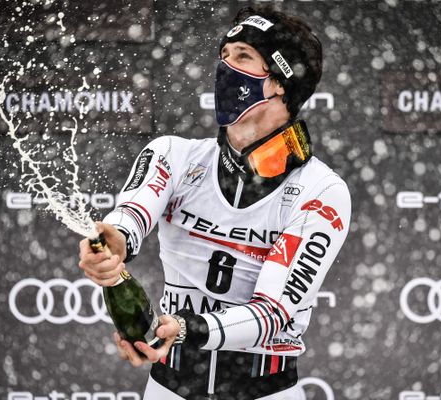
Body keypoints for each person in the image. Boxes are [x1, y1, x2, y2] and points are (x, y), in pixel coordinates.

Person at [78, 5, 351, 400]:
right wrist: (110, 247)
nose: (225, 67)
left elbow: (272, 315)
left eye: (243, 56)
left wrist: (186, 328)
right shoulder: (174, 154)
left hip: (264, 392)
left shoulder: (321, 191)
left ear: (279, 82)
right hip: (169, 387)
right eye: (224, 56)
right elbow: (128, 221)